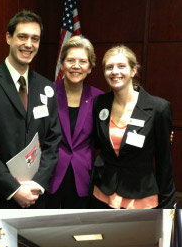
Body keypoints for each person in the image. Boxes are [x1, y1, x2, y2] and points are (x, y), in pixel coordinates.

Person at [0, 10, 62, 209]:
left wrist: (37, 184)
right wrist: (14, 189)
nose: (29, 44)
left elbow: (53, 141)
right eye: (22, 37)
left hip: (36, 196)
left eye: (35, 39)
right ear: (8, 37)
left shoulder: (47, 87)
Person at [90, 44, 175, 209]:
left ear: (133, 70)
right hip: (102, 193)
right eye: (109, 67)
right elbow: (96, 142)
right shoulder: (100, 103)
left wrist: (168, 205)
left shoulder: (158, 108)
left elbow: (164, 161)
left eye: (121, 66)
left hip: (139, 197)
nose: (115, 71)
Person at [46, 36, 104, 209]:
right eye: (70, 60)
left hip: (83, 177)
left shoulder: (99, 98)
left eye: (82, 61)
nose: (76, 66)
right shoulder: (47, 92)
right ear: (62, 64)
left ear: (90, 67)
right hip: (50, 175)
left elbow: (114, 130)